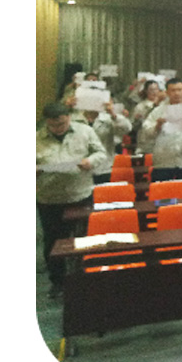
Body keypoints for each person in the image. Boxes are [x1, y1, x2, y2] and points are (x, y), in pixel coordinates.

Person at [36, 102, 108, 298]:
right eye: (53, 125)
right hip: (50, 198)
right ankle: (57, 281)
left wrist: (90, 161)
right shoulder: (36, 138)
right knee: (53, 241)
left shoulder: (85, 131)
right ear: (46, 122)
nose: (58, 128)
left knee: (82, 238)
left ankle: (83, 277)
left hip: (80, 194)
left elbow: (100, 153)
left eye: (62, 124)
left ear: (68, 117)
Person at [140, 78, 182, 181]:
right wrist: (158, 125)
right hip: (163, 159)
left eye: (179, 90)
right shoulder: (158, 111)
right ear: (167, 92)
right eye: (173, 90)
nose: (177, 93)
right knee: (163, 189)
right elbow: (146, 131)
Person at [71, 100, 132, 183]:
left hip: (103, 167)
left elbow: (127, 129)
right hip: (80, 168)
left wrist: (113, 115)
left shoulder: (108, 118)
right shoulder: (74, 119)